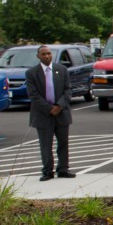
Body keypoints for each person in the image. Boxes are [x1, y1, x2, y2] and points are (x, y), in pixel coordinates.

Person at [25, 45, 75, 182]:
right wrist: (49, 108)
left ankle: (63, 169)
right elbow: (33, 95)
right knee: (46, 145)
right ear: (38, 56)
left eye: (48, 54)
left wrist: (59, 105)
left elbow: (68, 90)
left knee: (63, 143)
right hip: (43, 114)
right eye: (43, 54)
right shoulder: (31, 73)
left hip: (61, 113)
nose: (47, 56)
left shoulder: (62, 70)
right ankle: (47, 171)